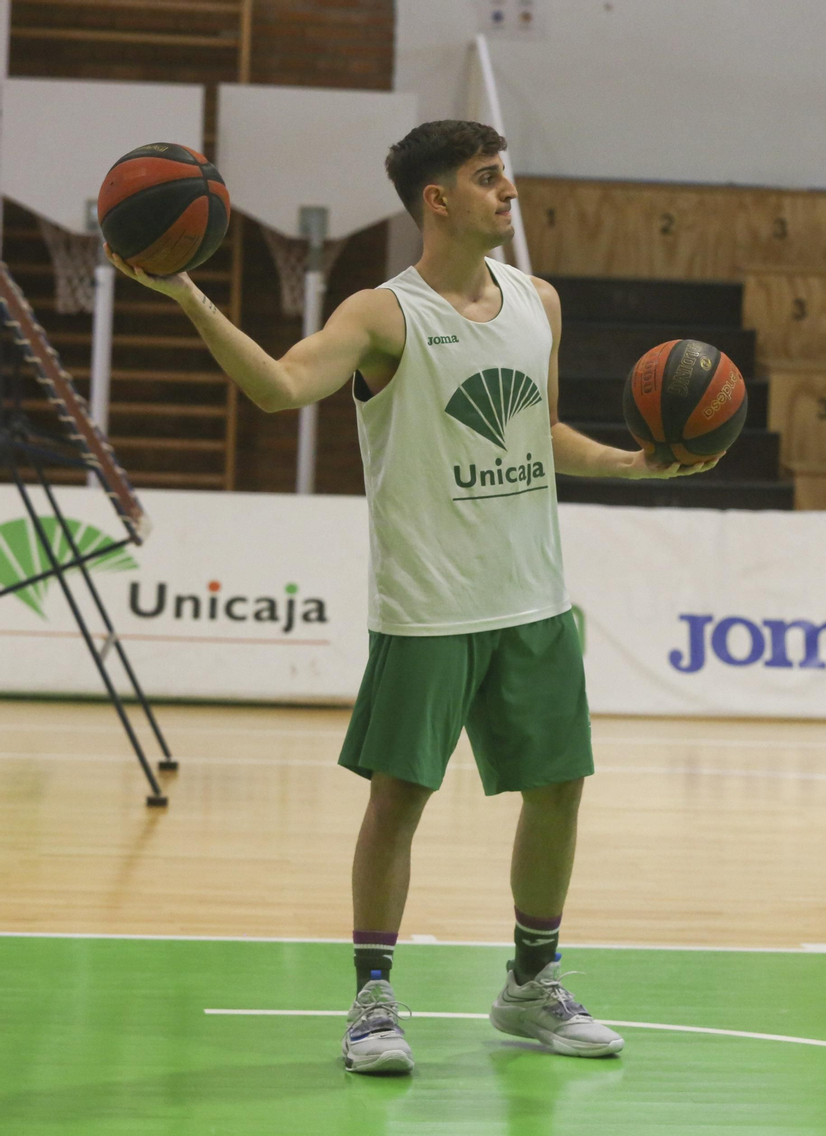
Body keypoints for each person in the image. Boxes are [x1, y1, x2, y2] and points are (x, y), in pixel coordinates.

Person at [112, 120, 713, 1074]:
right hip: (430, 605)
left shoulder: (538, 300)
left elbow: (539, 429)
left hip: (534, 598)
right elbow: (275, 388)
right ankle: (373, 1001)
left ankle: (530, 983)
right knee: (400, 802)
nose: (508, 192)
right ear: (439, 200)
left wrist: (631, 463)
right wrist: (184, 289)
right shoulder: (379, 316)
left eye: (505, 174)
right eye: (488, 179)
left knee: (558, 793)